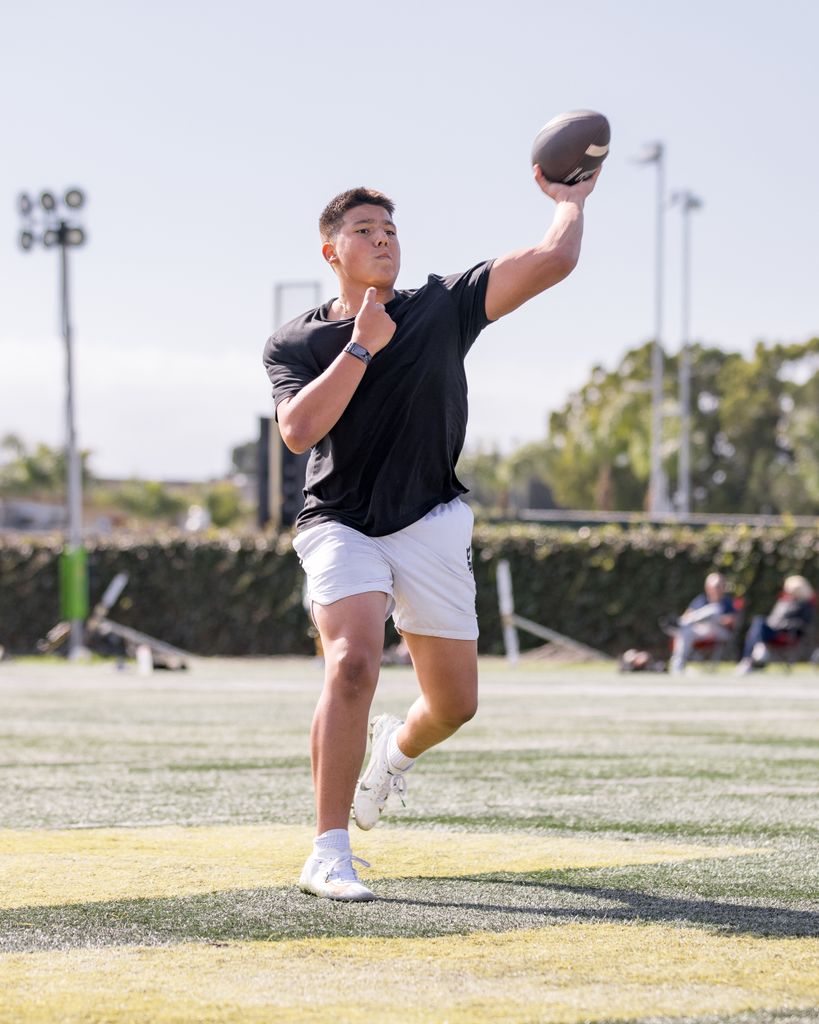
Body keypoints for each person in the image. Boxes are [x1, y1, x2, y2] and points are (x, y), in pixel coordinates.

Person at [263, 168, 600, 902]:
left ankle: (394, 752)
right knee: (352, 663)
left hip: (432, 521)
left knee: (453, 705)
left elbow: (553, 261)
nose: (381, 240)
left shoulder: (442, 305)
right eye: (363, 231)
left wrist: (570, 202)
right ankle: (327, 850)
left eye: (388, 230)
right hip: (340, 523)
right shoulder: (296, 342)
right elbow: (298, 432)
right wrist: (360, 347)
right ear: (331, 252)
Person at [737, 575, 815, 674]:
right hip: (772, 630)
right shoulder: (784, 602)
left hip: (785, 634)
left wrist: (782, 625)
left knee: (759, 624)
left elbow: (802, 624)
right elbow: (773, 618)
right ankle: (757, 651)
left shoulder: (805, 605)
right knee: (759, 621)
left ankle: (750, 657)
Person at [667, 572, 738, 674]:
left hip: (720, 631)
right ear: (708, 588)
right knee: (686, 632)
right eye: (715, 587)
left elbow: (732, 621)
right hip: (702, 630)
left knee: (714, 609)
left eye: (719, 586)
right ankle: (677, 667)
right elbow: (688, 614)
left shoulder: (727, 601)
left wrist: (717, 619)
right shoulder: (701, 600)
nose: (717, 589)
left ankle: (679, 624)